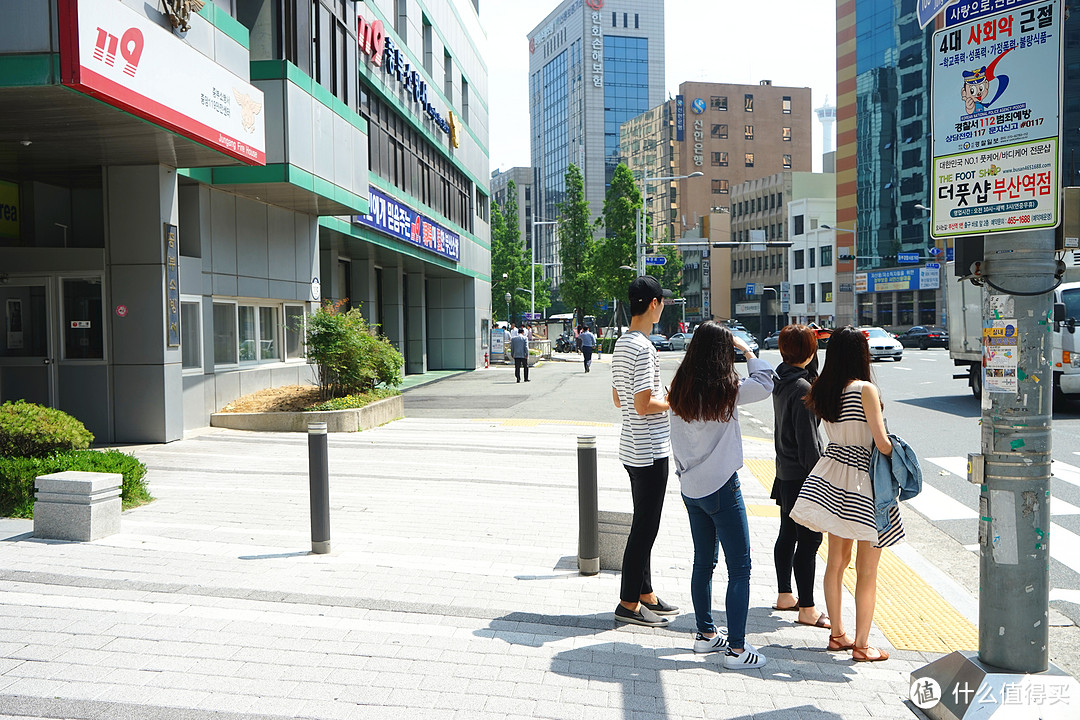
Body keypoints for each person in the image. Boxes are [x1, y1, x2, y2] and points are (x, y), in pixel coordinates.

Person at [790, 326, 899, 662]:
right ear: (860, 355)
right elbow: (881, 443)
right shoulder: (865, 389)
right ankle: (863, 646)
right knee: (867, 570)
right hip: (864, 482)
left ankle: (837, 635)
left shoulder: (823, 387)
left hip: (833, 476)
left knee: (836, 562)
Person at [668, 321, 773, 669]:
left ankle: (705, 635)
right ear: (721, 354)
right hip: (722, 489)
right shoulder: (726, 389)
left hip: (690, 488)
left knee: (704, 562)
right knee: (739, 567)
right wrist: (746, 351)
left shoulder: (680, 387)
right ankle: (737, 650)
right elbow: (765, 383)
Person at [610, 275, 678, 627]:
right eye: (661, 301)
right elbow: (641, 404)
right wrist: (672, 400)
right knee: (645, 528)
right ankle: (628, 603)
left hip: (631, 448)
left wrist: (655, 397)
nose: (663, 307)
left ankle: (645, 593)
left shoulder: (622, 344)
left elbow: (617, 398)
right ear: (653, 304)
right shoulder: (645, 348)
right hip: (650, 450)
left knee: (644, 522)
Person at [771, 325, 829, 629]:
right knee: (810, 540)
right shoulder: (802, 389)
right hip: (803, 475)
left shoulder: (782, 379)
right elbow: (809, 444)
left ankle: (785, 595)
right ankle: (807, 608)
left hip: (785, 473)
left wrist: (811, 347)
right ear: (809, 352)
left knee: (788, 533)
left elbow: (810, 376)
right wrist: (820, 482)